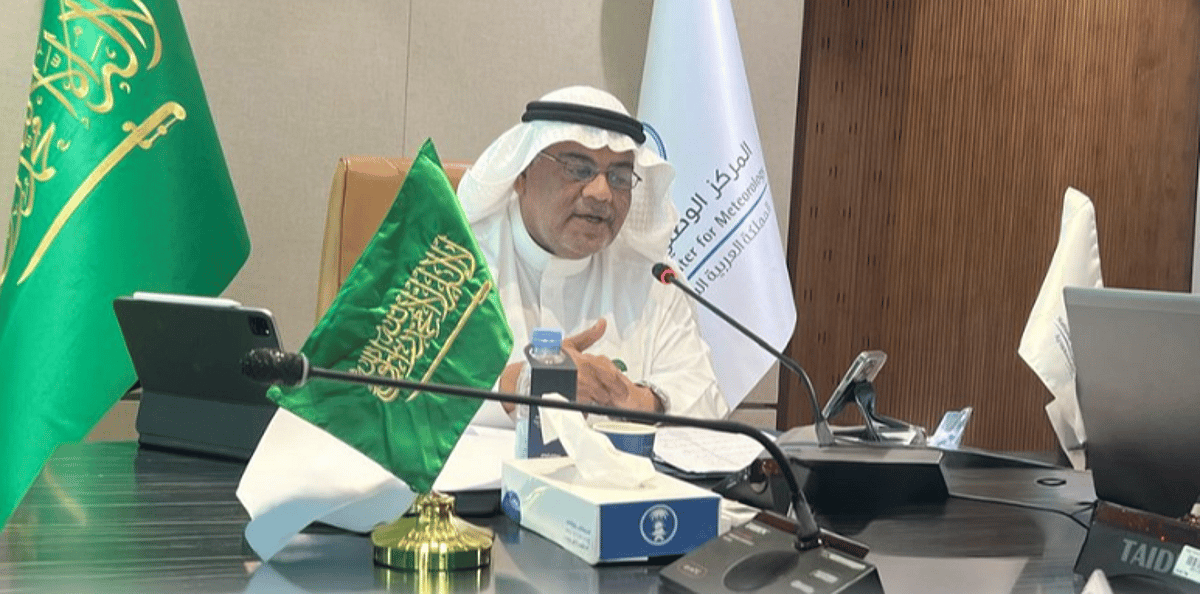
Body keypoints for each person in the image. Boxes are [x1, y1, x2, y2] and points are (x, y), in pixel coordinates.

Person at [458, 85, 728, 422]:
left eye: (619, 177)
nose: (602, 193)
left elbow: (705, 400)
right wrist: (517, 386)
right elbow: (409, 404)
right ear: (522, 174)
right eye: (578, 170)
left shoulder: (652, 280)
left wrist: (636, 399)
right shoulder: (459, 263)